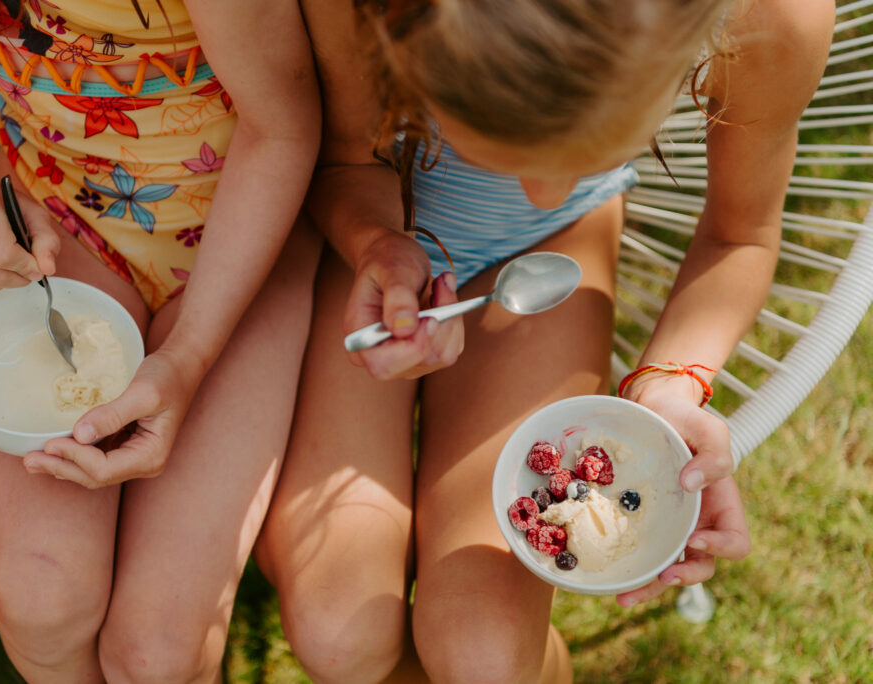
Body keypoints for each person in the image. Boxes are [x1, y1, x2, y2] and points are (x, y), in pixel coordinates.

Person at [254, 0, 835, 681]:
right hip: (371, 224)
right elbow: (345, 158)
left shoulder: (770, 18)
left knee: (486, 659)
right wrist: (378, 244)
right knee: (337, 636)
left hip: (552, 250)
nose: (541, 189)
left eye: (589, 154)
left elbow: (741, 235)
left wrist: (670, 386)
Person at [0, 0, 320, 679]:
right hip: (58, 209)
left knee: (157, 655)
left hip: (246, 236)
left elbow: (281, 128)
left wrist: (186, 359)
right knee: (37, 597)